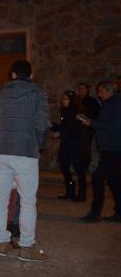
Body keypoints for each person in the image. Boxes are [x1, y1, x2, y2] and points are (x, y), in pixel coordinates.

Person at [0, 59, 49, 262]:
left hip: (3, 151)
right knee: (28, 200)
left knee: (0, 198)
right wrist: (37, 143)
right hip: (26, 152)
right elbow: (42, 125)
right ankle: (26, 247)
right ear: (30, 75)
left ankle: (2, 242)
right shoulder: (37, 93)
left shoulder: (0, 94)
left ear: (12, 75)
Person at [78, 80, 121, 223]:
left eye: (101, 92)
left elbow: (110, 125)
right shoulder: (111, 104)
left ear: (109, 91)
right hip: (112, 147)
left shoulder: (114, 104)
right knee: (114, 180)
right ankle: (119, 213)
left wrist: (90, 123)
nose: (99, 95)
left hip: (113, 148)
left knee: (97, 178)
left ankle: (95, 213)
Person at [50, 90, 91, 201]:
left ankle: (82, 195)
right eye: (62, 99)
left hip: (77, 146)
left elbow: (76, 129)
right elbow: (65, 127)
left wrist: (60, 133)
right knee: (65, 168)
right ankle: (70, 192)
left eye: (65, 99)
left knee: (79, 171)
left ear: (72, 100)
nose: (63, 101)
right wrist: (53, 126)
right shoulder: (66, 111)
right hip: (68, 146)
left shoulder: (78, 112)